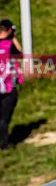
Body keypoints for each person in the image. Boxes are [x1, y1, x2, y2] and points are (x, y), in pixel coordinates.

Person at [0, 19, 23, 150]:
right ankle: (4, 143)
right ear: (9, 31)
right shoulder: (8, 45)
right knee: (4, 117)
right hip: (8, 86)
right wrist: (14, 38)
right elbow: (21, 55)